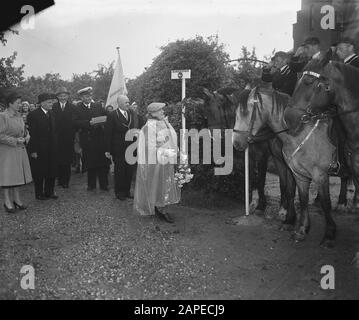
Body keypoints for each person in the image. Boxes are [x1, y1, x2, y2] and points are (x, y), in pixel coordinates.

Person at [133, 102, 181, 223]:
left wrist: (176, 149)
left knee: (165, 184)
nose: (163, 112)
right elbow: (150, 147)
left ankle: (161, 206)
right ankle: (160, 208)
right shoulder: (149, 127)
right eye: (160, 110)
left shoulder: (164, 122)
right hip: (156, 163)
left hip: (166, 160)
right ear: (153, 113)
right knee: (158, 184)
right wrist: (166, 152)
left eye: (162, 110)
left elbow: (170, 138)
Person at [104, 95, 141, 200]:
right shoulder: (112, 115)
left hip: (130, 148)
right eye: (126, 103)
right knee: (120, 171)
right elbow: (108, 133)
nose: (128, 104)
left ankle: (127, 191)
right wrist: (108, 149)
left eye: (128, 102)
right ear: (119, 103)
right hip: (118, 148)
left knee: (129, 171)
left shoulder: (131, 113)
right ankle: (119, 193)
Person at [0, 92, 32, 213]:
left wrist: (27, 135)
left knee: (17, 176)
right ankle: (7, 201)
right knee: (8, 177)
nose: (20, 105)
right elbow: (0, 135)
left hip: (19, 150)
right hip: (7, 151)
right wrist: (15, 140)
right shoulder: (2, 116)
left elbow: (24, 130)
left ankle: (17, 200)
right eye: (18, 103)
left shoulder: (19, 116)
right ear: (10, 103)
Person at [74, 87, 110, 191]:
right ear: (81, 97)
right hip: (87, 139)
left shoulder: (98, 106)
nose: (89, 98)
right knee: (90, 163)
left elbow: (107, 116)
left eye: (90, 95)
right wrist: (87, 123)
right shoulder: (77, 108)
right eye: (86, 96)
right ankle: (91, 185)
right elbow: (75, 122)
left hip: (99, 138)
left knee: (103, 162)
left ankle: (104, 185)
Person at [27, 93, 58, 200]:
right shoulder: (33, 115)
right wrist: (33, 150)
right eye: (49, 102)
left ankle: (49, 191)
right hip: (39, 148)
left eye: (52, 102)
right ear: (42, 103)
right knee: (40, 171)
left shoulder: (52, 113)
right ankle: (39, 193)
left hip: (52, 148)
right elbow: (32, 134)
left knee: (52, 169)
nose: (52, 104)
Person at [52, 87, 76, 188]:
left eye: (64, 95)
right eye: (61, 96)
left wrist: (72, 134)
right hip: (56, 138)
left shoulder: (72, 107)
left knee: (67, 161)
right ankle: (59, 180)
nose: (63, 97)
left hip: (68, 138)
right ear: (57, 97)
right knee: (58, 160)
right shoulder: (53, 107)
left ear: (68, 96)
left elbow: (74, 122)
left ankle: (66, 181)